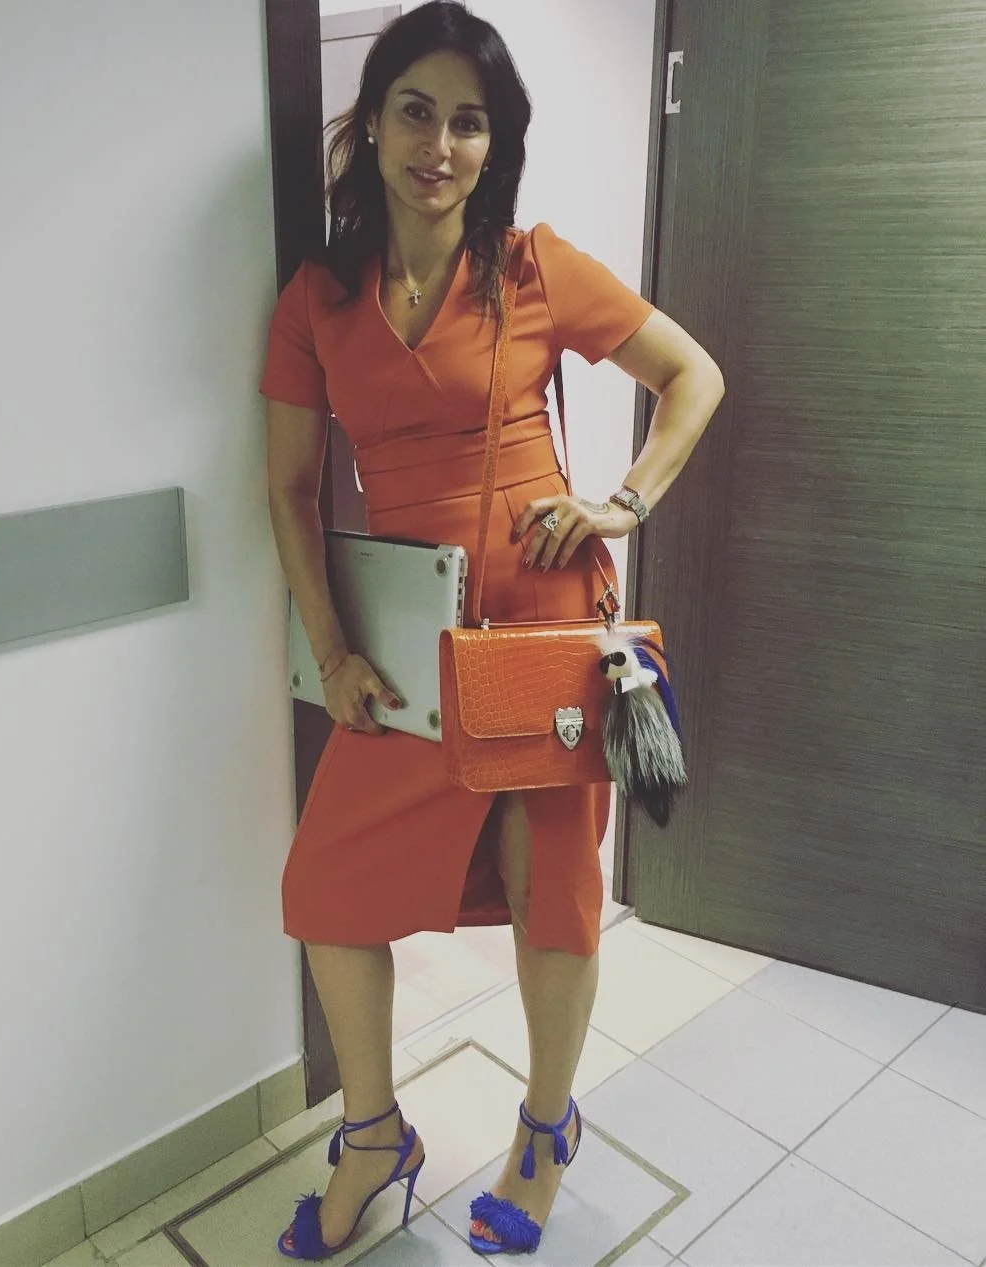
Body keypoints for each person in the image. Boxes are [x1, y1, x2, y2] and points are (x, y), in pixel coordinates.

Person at [260, 2, 723, 1257]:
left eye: (470, 123)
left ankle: (546, 1127)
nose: (440, 145)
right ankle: (373, 1134)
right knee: (325, 891)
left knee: (550, 896)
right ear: (372, 123)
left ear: (495, 143)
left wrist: (625, 501)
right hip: (412, 655)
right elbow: (290, 492)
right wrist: (333, 650)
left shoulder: (532, 268)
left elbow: (693, 375)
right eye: (416, 111)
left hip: (543, 636)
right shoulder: (318, 299)